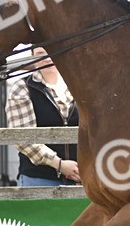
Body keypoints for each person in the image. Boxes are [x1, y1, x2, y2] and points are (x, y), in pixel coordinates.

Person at [5, 45, 81, 186]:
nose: (47, 58)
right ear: (33, 57)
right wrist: (60, 165)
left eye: (51, 51)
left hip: (80, 177)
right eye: (40, 53)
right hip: (39, 179)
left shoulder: (77, 84)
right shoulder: (22, 87)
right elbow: (23, 138)